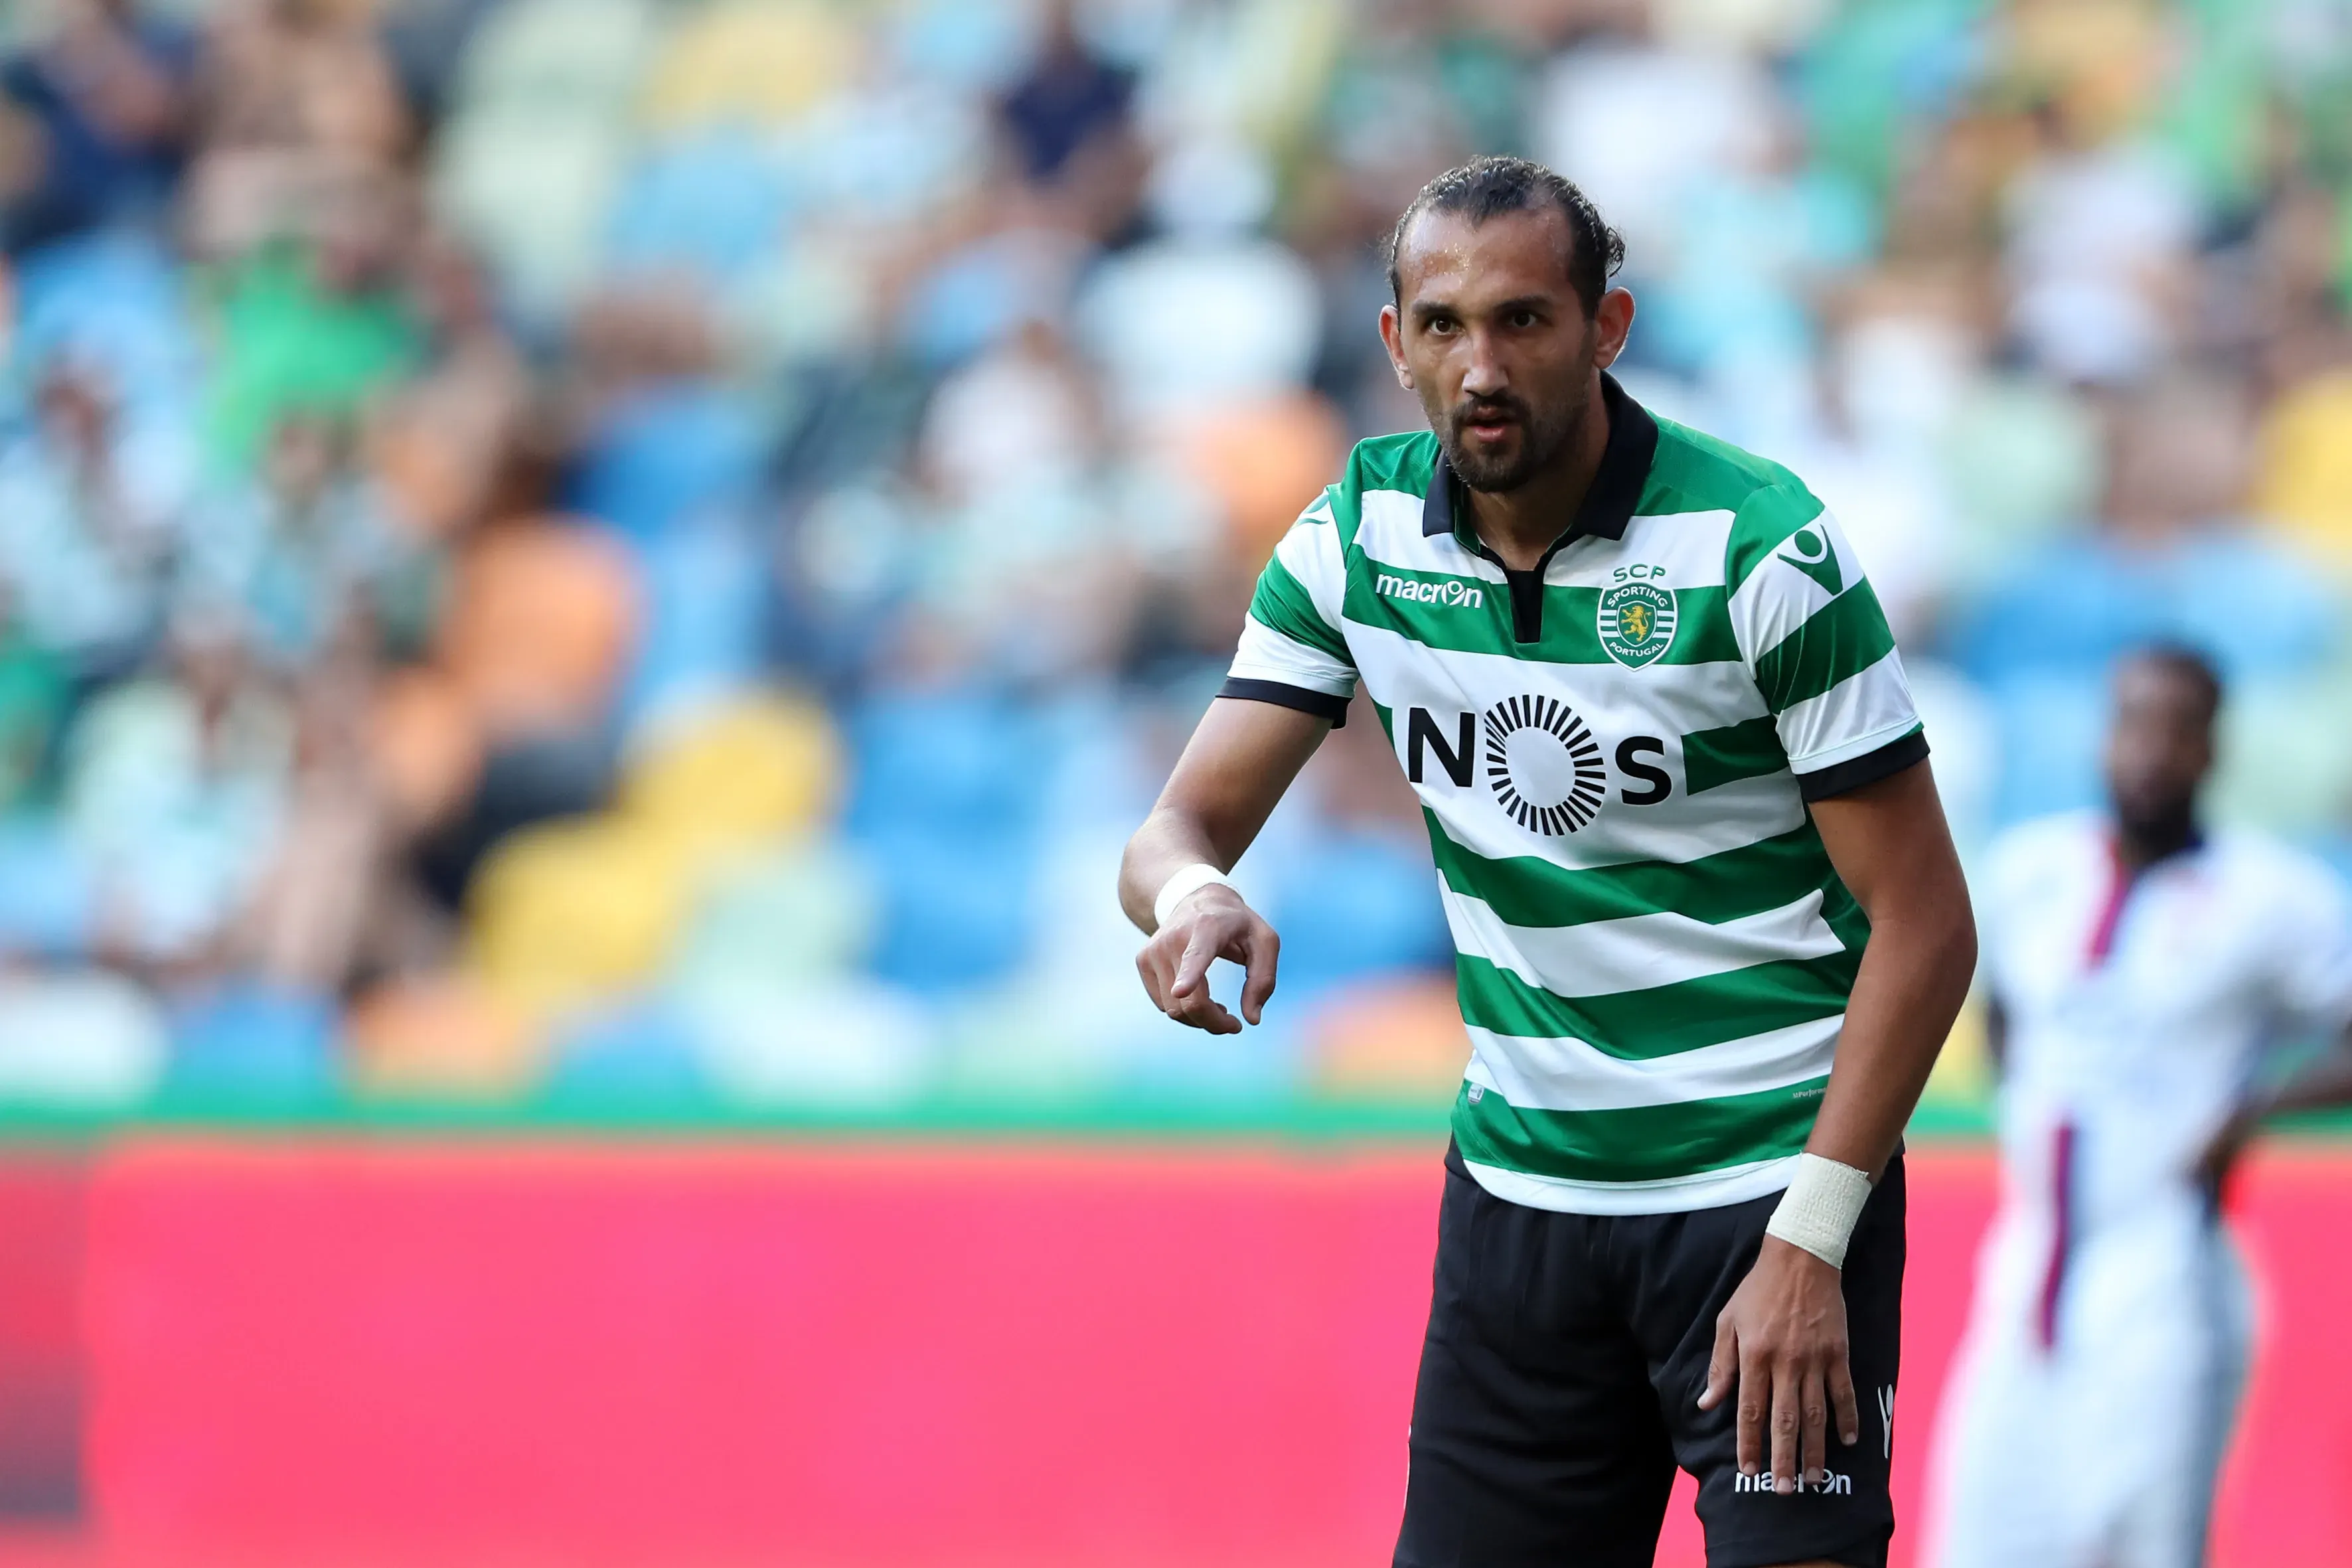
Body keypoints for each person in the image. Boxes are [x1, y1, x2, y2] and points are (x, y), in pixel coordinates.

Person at [1119, 156, 1977, 1568]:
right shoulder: (1355, 539)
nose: (1481, 365)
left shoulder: (1760, 549)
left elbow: (1927, 924)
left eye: (1524, 319)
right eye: (1443, 326)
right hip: (1522, 1201)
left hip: (1763, 1185)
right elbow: (1173, 830)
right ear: (1394, 343)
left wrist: (1812, 1237)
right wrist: (1194, 895)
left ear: (1607, 328)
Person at [1926, 645, 2352, 1568]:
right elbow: (2000, 997)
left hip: (2164, 1284)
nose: (2149, 752)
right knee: (1975, 1537)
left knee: (2144, 1545)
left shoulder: (2268, 898)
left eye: (2176, 730)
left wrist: (2255, 1106)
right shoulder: (2033, 871)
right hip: (2023, 1273)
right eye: (2132, 724)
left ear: (2211, 749)